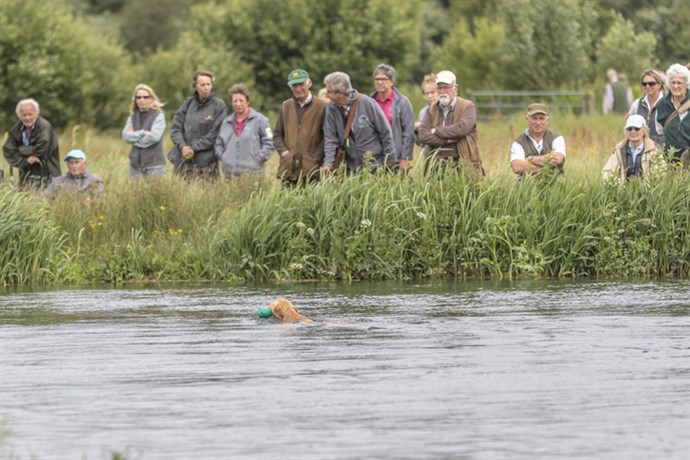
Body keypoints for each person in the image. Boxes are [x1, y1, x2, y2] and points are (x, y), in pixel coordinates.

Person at [321, 71, 395, 173]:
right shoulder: (330, 108)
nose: (327, 95)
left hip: (376, 165)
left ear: (341, 93)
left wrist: (390, 160)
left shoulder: (367, 103)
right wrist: (328, 163)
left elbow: (385, 132)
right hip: (352, 167)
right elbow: (330, 138)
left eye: (329, 92)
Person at [417, 70, 484, 176]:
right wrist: (448, 140)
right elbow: (423, 135)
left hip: (462, 165)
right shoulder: (431, 109)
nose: (442, 91)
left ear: (455, 88)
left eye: (446, 87)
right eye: (439, 88)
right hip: (435, 167)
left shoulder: (467, 106)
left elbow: (462, 129)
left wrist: (436, 130)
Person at [168, 70, 227, 179]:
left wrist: (193, 148)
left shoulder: (219, 106)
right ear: (195, 86)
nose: (206, 88)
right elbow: (175, 129)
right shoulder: (187, 103)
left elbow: (215, 134)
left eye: (208, 84)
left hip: (207, 164)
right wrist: (183, 146)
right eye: (202, 84)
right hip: (183, 161)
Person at [273, 69, 326, 186]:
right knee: (286, 203)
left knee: (311, 204)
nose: (298, 89)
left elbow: (326, 137)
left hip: (311, 170)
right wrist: (284, 152)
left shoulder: (322, 106)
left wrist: (316, 157)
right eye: (294, 85)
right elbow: (277, 134)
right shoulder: (285, 106)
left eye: (301, 84)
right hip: (288, 170)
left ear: (309, 83)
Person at [214, 83, 274, 178]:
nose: (238, 104)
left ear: (247, 101)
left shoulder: (261, 120)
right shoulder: (226, 122)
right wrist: (223, 157)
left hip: (253, 175)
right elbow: (218, 144)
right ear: (231, 103)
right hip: (229, 175)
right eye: (235, 101)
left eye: (241, 100)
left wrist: (257, 159)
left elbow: (269, 143)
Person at [3, 98, 61, 188]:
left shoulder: (45, 126)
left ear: (36, 114)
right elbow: (8, 150)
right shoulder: (17, 128)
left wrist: (20, 150)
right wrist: (25, 161)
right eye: (24, 115)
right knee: (26, 198)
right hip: (26, 174)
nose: (27, 118)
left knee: (46, 199)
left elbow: (41, 149)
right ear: (19, 116)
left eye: (30, 114)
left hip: (48, 172)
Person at [370, 64, 415, 172]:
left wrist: (405, 157)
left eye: (384, 79)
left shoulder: (402, 102)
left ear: (391, 82)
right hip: (374, 158)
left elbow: (408, 132)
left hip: (396, 157)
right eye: (377, 79)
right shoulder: (369, 102)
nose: (380, 82)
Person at [122, 84, 166, 178]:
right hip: (135, 167)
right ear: (135, 100)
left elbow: (154, 137)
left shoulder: (158, 116)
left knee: (156, 193)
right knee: (135, 193)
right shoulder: (132, 117)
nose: (142, 100)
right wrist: (142, 133)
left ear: (151, 98)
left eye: (145, 97)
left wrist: (134, 139)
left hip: (154, 166)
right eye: (139, 97)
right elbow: (125, 137)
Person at [509, 103, 566, 178]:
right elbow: (517, 167)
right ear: (527, 119)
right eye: (534, 118)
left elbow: (557, 159)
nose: (538, 122)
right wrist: (549, 165)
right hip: (527, 188)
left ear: (547, 120)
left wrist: (530, 159)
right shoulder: (518, 143)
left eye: (541, 118)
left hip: (556, 186)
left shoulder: (557, 139)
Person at [602, 115, 663, 182]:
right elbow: (607, 172)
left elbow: (660, 174)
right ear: (626, 131)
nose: (633, 131)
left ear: (643, 131)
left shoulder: (653, 150)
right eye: (629, 128)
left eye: (637, 128)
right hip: (623, 190)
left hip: (647, 190)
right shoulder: (619, 150)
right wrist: (619, 186)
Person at [654, 63, 690, 167]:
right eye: (673, 82)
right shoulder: (662, 104)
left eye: (679, 83)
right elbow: (659, 131)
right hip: (668, 162)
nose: (675, 86)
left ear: (686, 84)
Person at [626, 69, 666, 144]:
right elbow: (627, 121)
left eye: (651, 83)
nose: (647, 86)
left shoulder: (667, 103)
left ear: (659, 85)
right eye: (644, 84)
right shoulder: (637, 103)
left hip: (661, 149)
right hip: (641, 148)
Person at [414, 73, 438, 155]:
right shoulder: (422, 112)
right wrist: (417, 131)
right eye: (427, 93)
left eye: (432, 92)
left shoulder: (446, 110)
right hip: (428, 155)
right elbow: (420, 143)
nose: (430, 96)